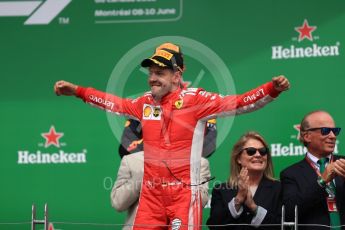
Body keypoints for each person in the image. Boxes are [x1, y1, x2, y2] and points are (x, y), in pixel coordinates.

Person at [54, 42, 290, 229]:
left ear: (177, 75)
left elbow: (239, 103)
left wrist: (272, 89)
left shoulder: (196, 100)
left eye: (160, 73)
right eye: (150, 73)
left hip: (184, 197)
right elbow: (114, 104)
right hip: (150, 196)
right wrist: (78, 91)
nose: (152, 78)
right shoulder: (145, 102)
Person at [111, 151, 211, 230]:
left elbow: (200, 202)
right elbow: (118, 203)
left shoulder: (199, 163)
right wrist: (142, 176)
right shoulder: (131, 161)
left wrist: (183, 176)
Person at [280, 110, 345, 230]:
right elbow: (289, 213)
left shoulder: (343, 164)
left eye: (335, 131)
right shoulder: (291, 174)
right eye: (325, 131)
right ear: (306, 136)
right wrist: (322, 181)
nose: (332, 136)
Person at [207, 131, 281, 229]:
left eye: (263, 151)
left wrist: (254, 208)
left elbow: (285, 225)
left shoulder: (280, 188)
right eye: (251, 151)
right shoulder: (221, 190)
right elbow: (214, 226)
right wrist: (238, 200)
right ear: (238, 159)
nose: (258, 155)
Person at [118, 118, 217, 158]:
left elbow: (209, 145)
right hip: (149, 172)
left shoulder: (200, 105)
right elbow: (126, 147)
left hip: (187, 174)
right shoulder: (145, 105)